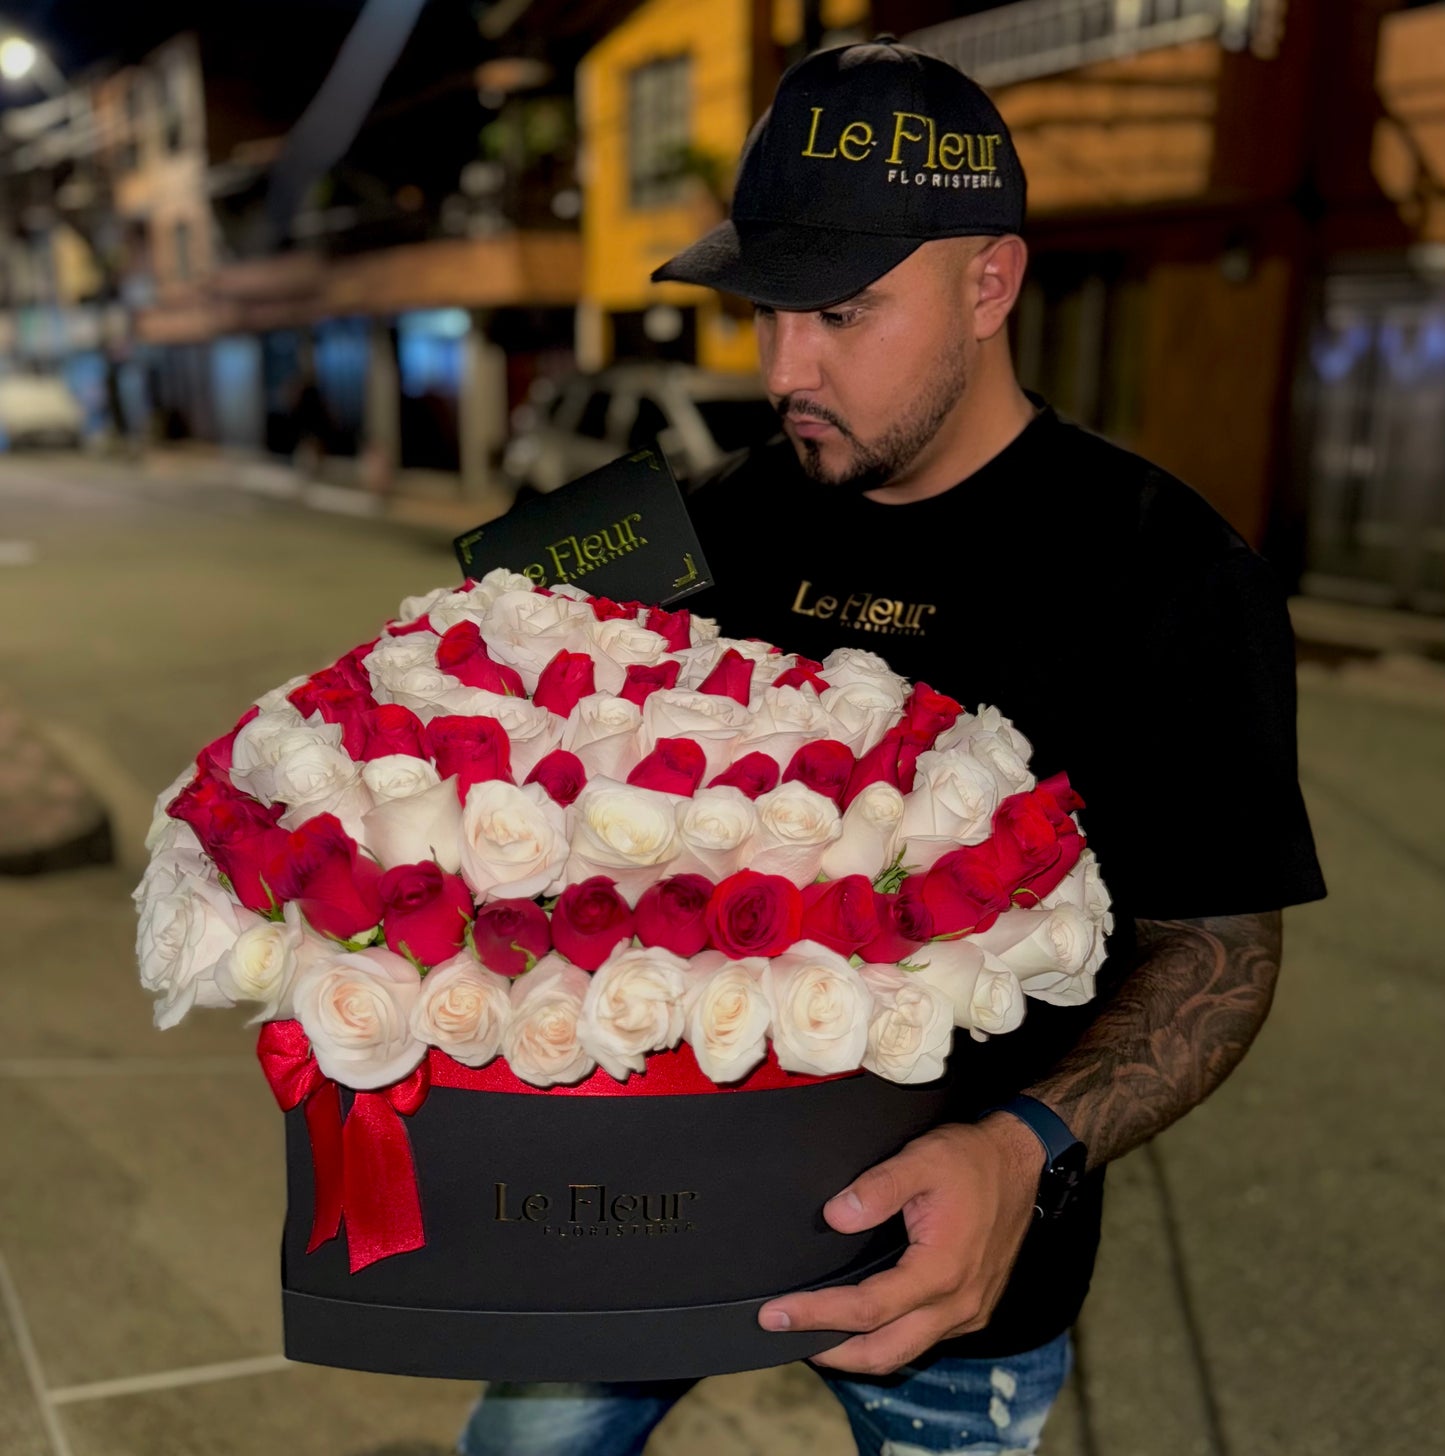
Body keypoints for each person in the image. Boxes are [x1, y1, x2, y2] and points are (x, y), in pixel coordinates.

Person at [459, 37, 1326, 1456]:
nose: (785, 367)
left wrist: (1024, 1146)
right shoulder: (690, 526)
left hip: (949, 1276)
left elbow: (1219, 952)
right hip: (645, 1201)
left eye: (842, 312)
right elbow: (486, 748)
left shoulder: (1170, 578)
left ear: (989, 283)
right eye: (765, 312)